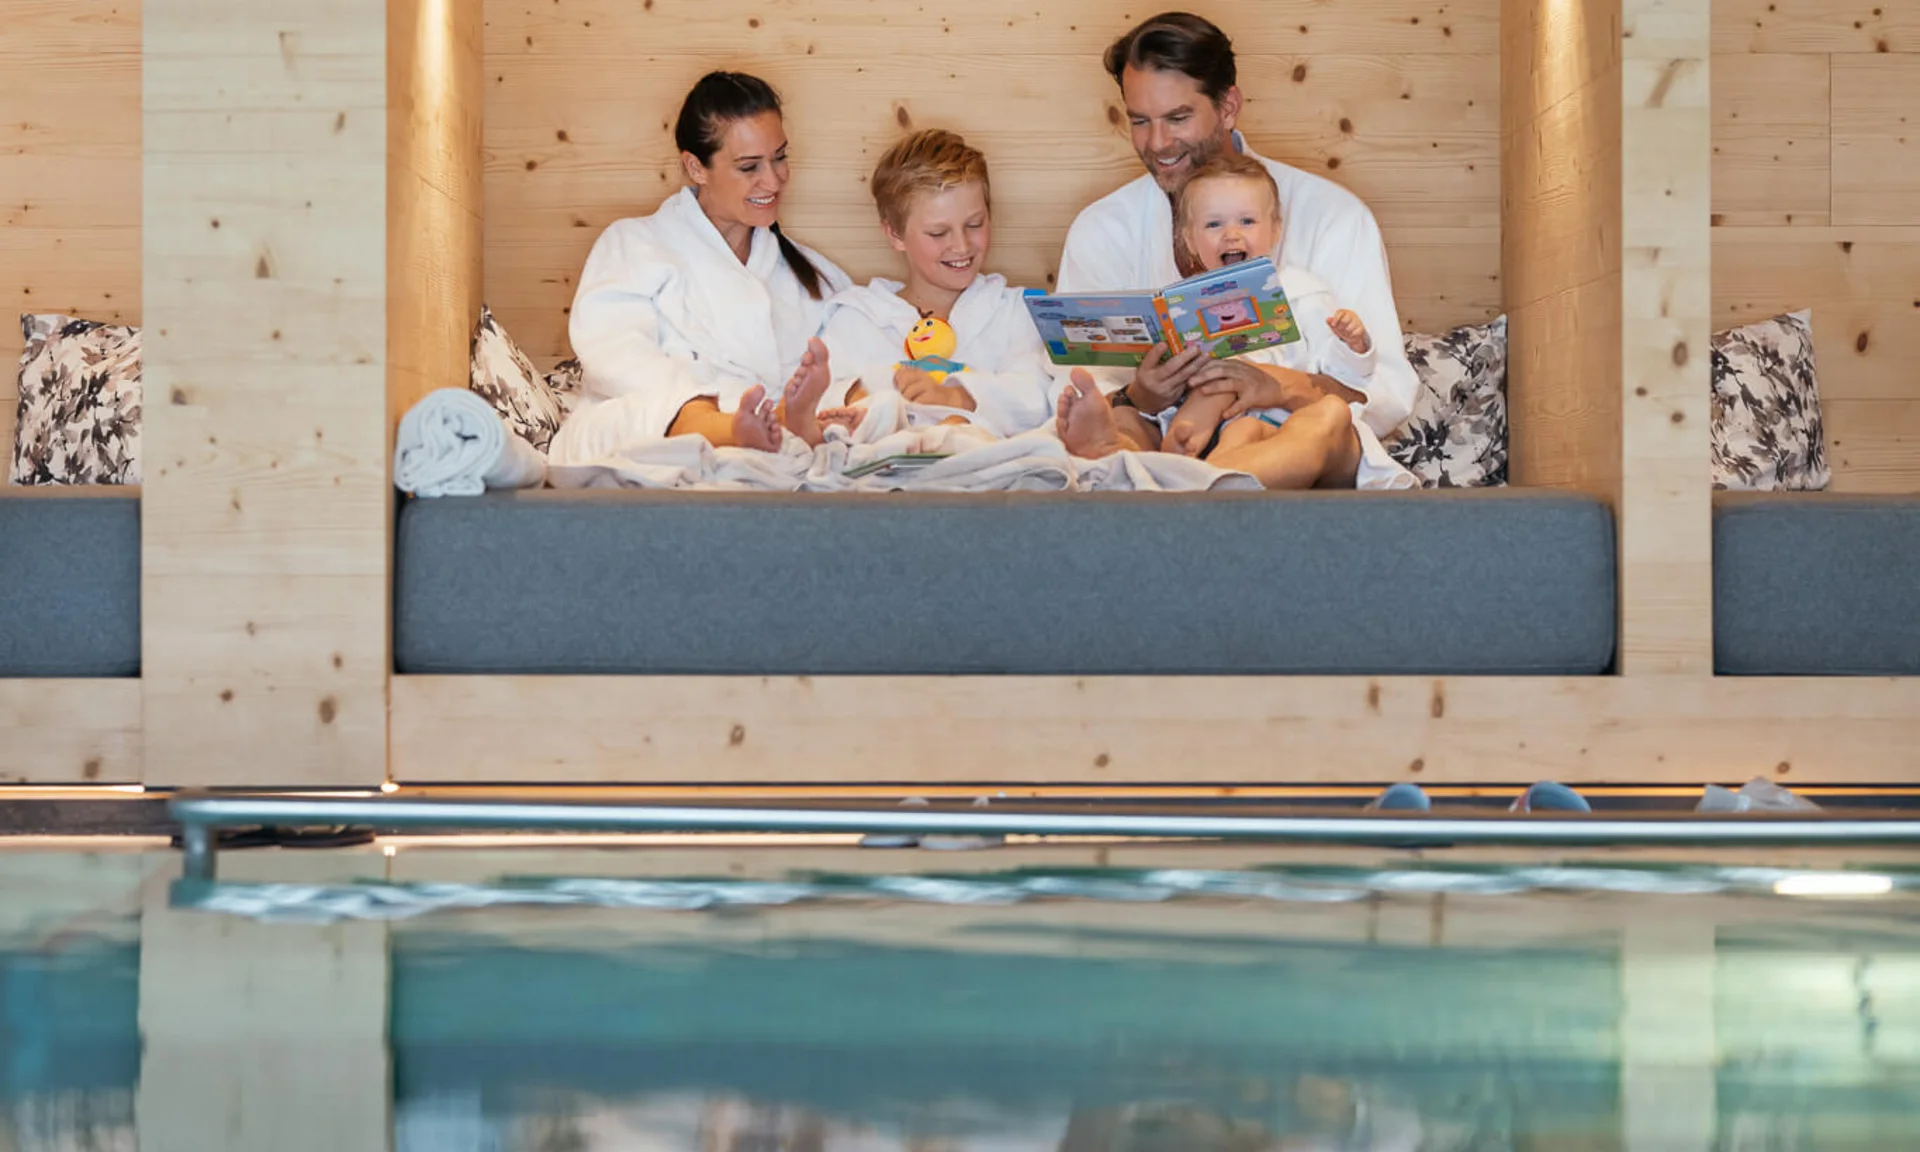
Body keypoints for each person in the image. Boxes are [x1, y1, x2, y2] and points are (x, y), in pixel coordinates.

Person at [1055, 12, 1418, 474]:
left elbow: (1388, 393)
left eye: (1178, 117)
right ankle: (1177, 484)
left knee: (1327, 420)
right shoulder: (1103, 229)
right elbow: (1075, 386)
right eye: (1141, 121)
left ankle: (1193, 493)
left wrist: (1280, 385)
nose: (1158, 143)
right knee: (1120, 420)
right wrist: (1140, 395)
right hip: (1172, 432)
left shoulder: (1334, 217)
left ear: (1228, 107)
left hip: (1293, 443)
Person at [1057, 154, 1413, 491]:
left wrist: (1353, 345)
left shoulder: (1299, 291)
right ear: (1190, 241)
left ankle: (1177, 481)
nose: (1231, 234)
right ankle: (1121, 450)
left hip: (1276, 425)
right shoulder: (1183, 304)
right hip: (1202, 430)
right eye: (1214, 224)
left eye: (1247, 221)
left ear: (1275, 229)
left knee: (1315, 416)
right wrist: (1151, 388)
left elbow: (1342, 374)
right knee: (1131, 417)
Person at [548, 71, 851, 465]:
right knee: (624, 424)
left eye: (779, 158)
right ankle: (732, 429)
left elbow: (847, 359)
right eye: (749, 167)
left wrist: (825, 396)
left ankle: (772, 424)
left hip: (774, 428)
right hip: (672, 419)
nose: (773, 181)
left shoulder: (811, 275)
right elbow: (614, 354)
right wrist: (701, 409)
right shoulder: (636, 244)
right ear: (695, 167)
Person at [815, 128, 1059, 438]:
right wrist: (861, 398)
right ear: (895, 234)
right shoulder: (860, 317)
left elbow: (1038, 394)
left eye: (974, 224)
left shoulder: (1014, 312)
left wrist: (956, 397)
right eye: (938, 233)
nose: (961, 246)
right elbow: (822, 396)